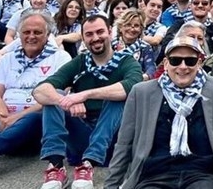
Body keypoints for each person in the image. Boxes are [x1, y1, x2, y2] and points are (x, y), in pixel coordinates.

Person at [103, 36, 213, 189]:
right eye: (175, 60)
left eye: (190, 61)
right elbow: (124, 144)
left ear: (199, 63)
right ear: (165, 63)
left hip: (202, 175)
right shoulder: (142, 92)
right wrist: (111, 185)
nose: (183, 66)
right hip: (153, 176)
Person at [32, 15, 144, 189]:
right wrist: (66, 100)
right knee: (53, 96)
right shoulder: (80, 62)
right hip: (82, 134)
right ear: (83, 38)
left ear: (110, 32)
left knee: (117, 98)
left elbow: (131, 87)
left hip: (114, 140)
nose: (95, 38)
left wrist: (83, 95)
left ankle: (89, 164)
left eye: (100, 32)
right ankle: (55, 166)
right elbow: (40, 90)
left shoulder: (127, 61)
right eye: (89, 34)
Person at [0, 11, 71, 185]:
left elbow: (58, 97)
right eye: (26, 32)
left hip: (36, 121)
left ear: (47, 35)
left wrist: (16, 118)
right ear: (19, 35)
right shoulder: (7, 59)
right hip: (4, 117)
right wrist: (3, 118)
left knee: (32, 119)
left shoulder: (60, 58)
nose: (31, 36)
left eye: (37, 32)